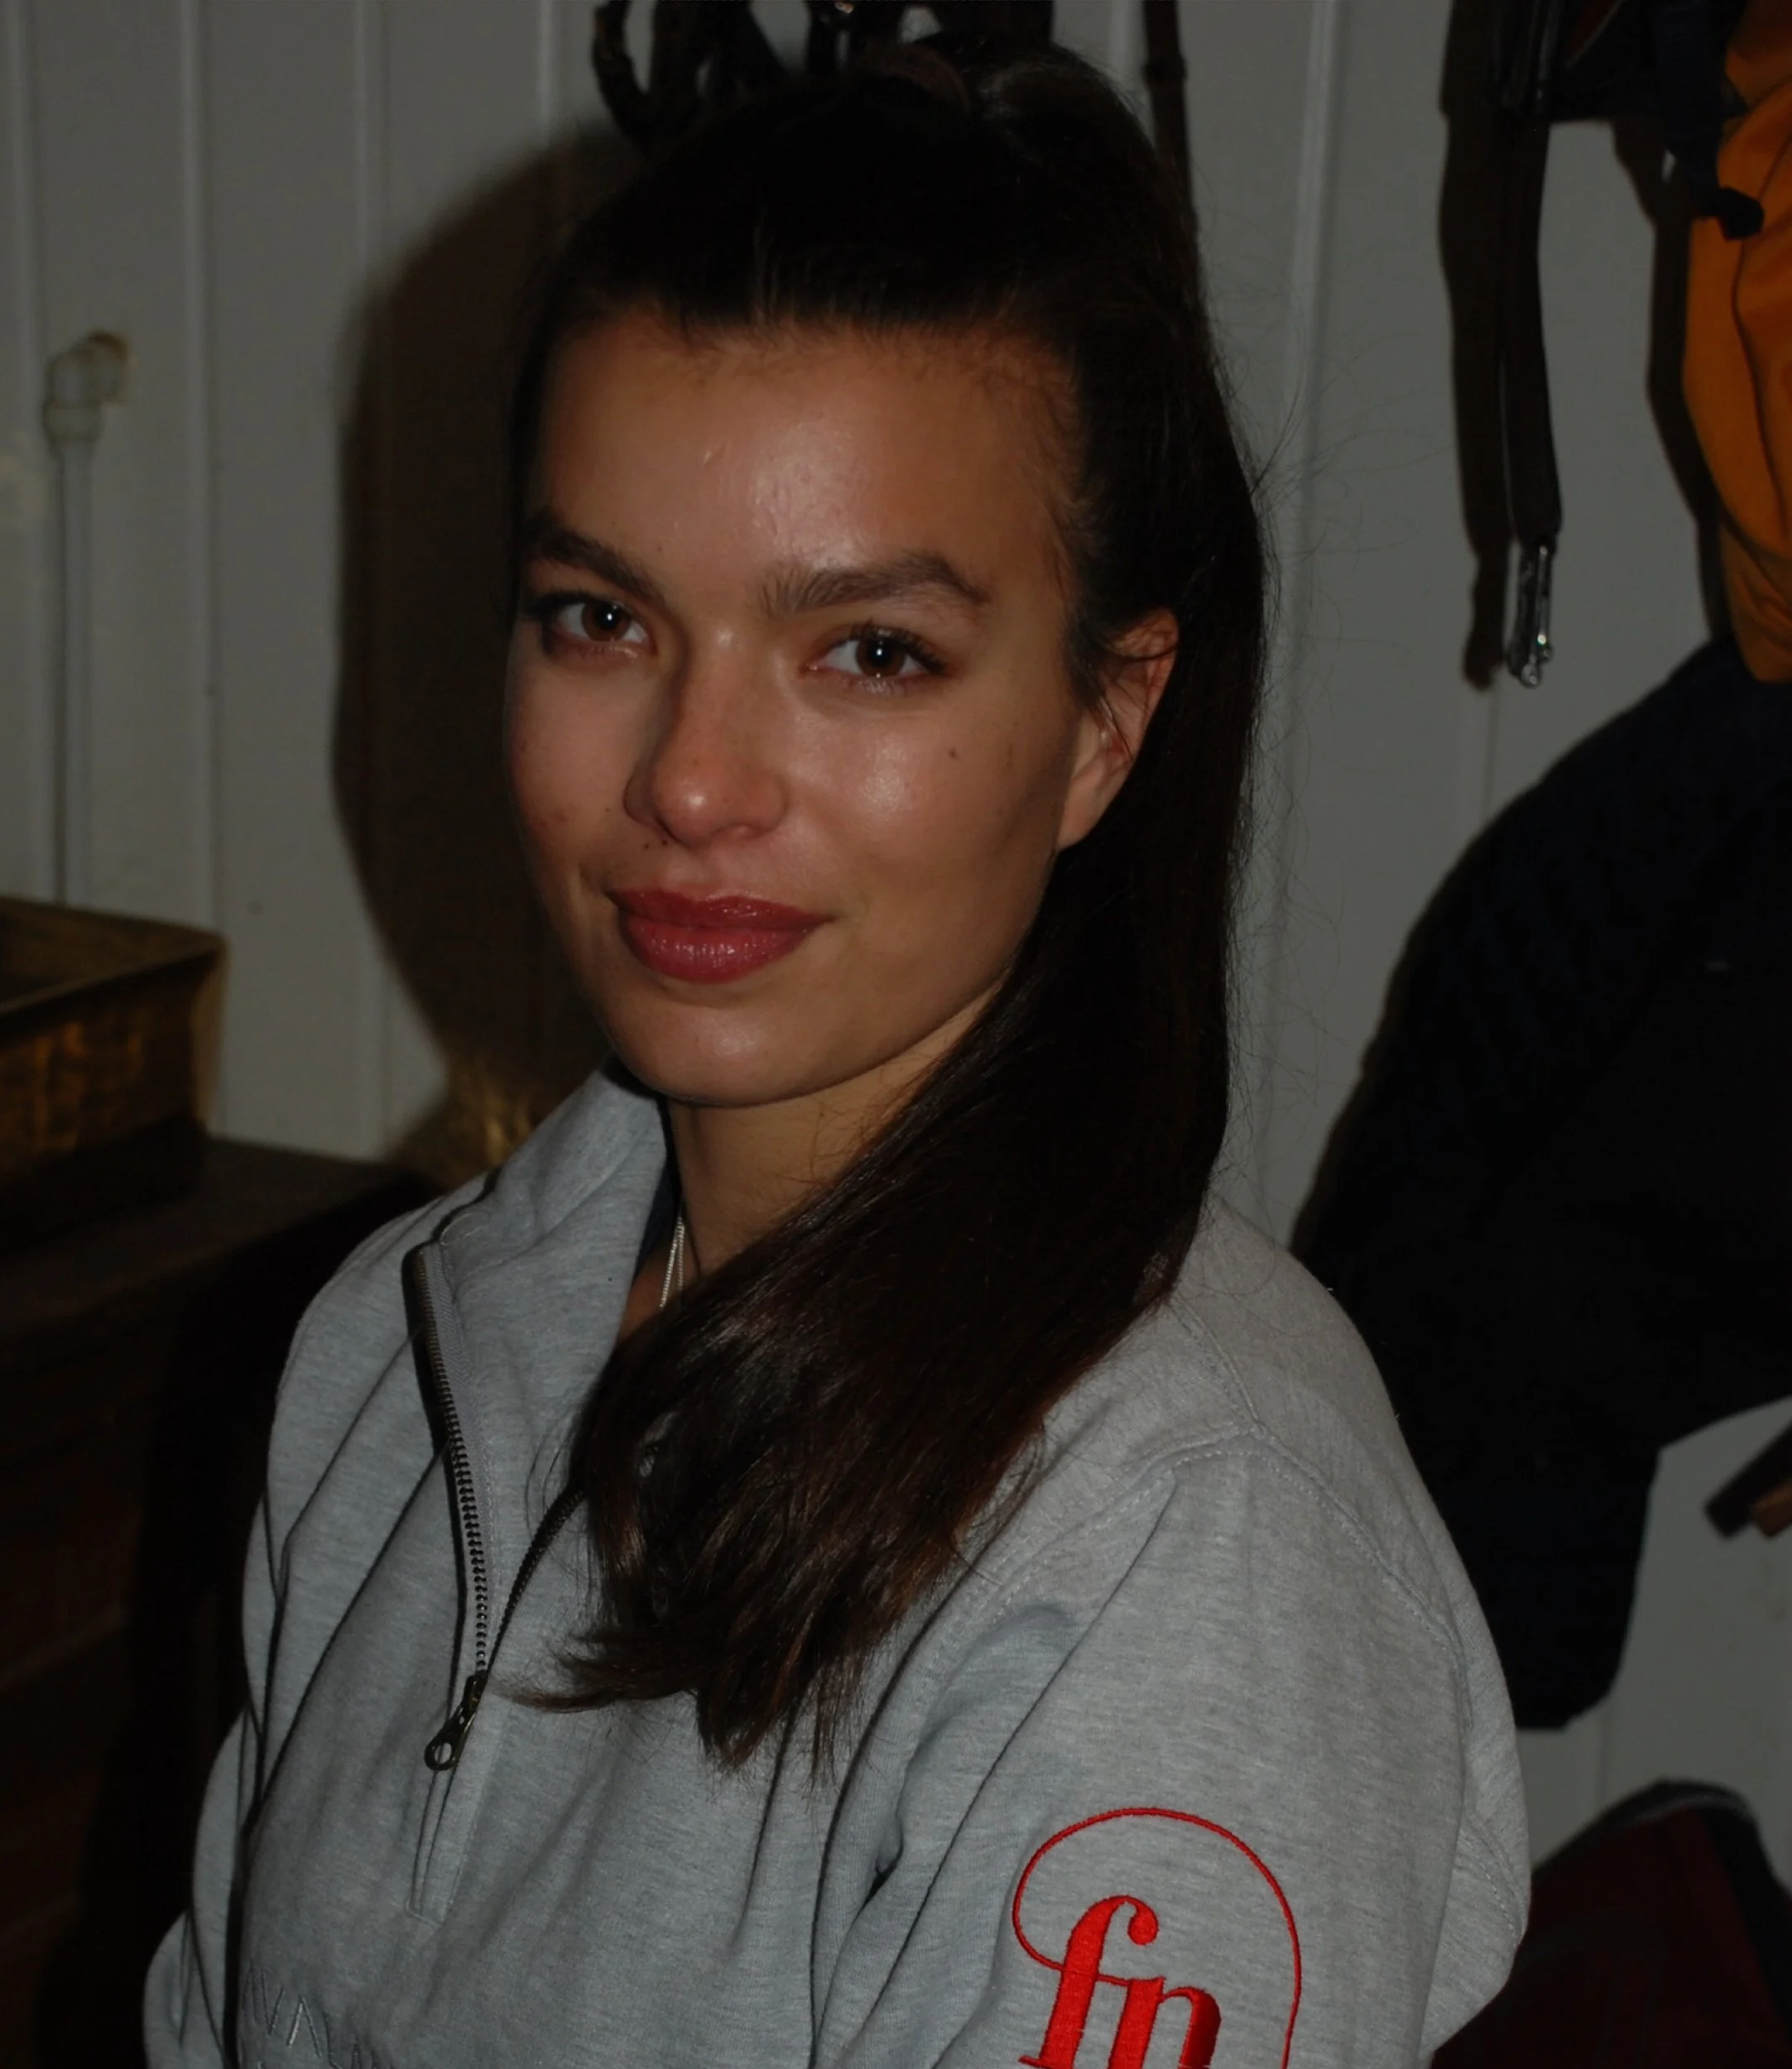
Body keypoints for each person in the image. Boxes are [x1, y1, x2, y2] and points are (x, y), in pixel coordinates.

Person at [147, 36, 1526, 2069]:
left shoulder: (1184, 1534)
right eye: (598, 617)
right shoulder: (399, 1341)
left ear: (1106, 719)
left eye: (868, 651)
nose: (690, 781)